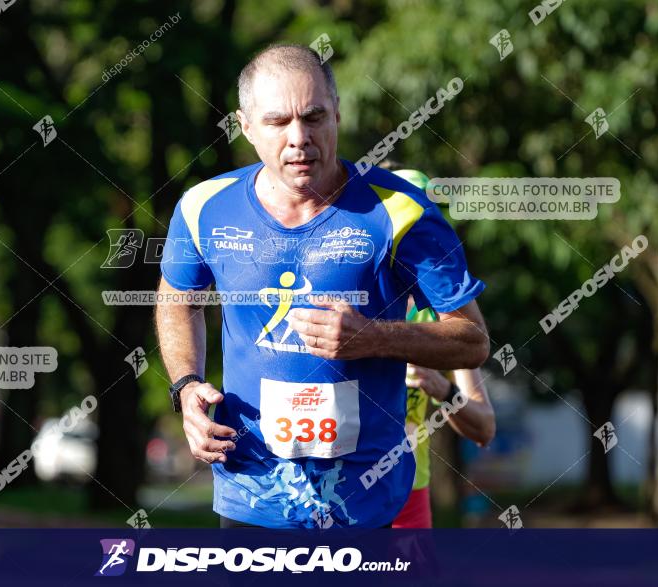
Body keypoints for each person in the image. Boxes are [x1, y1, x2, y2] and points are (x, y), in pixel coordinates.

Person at [155, 44, 488, 528]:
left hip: (366, 501)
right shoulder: (204, 207)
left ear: (337, 115)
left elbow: (474, 341)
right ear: (245, 126)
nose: (299, 139)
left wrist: (374, 338)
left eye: (314, 117)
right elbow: (175, 302)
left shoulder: (400, 210)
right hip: (252, 492)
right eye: (277, 122)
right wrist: (185, 387)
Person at [386, 167, 496, 528]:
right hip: (343, 492)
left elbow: (484, 427)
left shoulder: (444, 319)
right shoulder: (349, 304)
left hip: (409, 493)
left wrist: (442, 388)